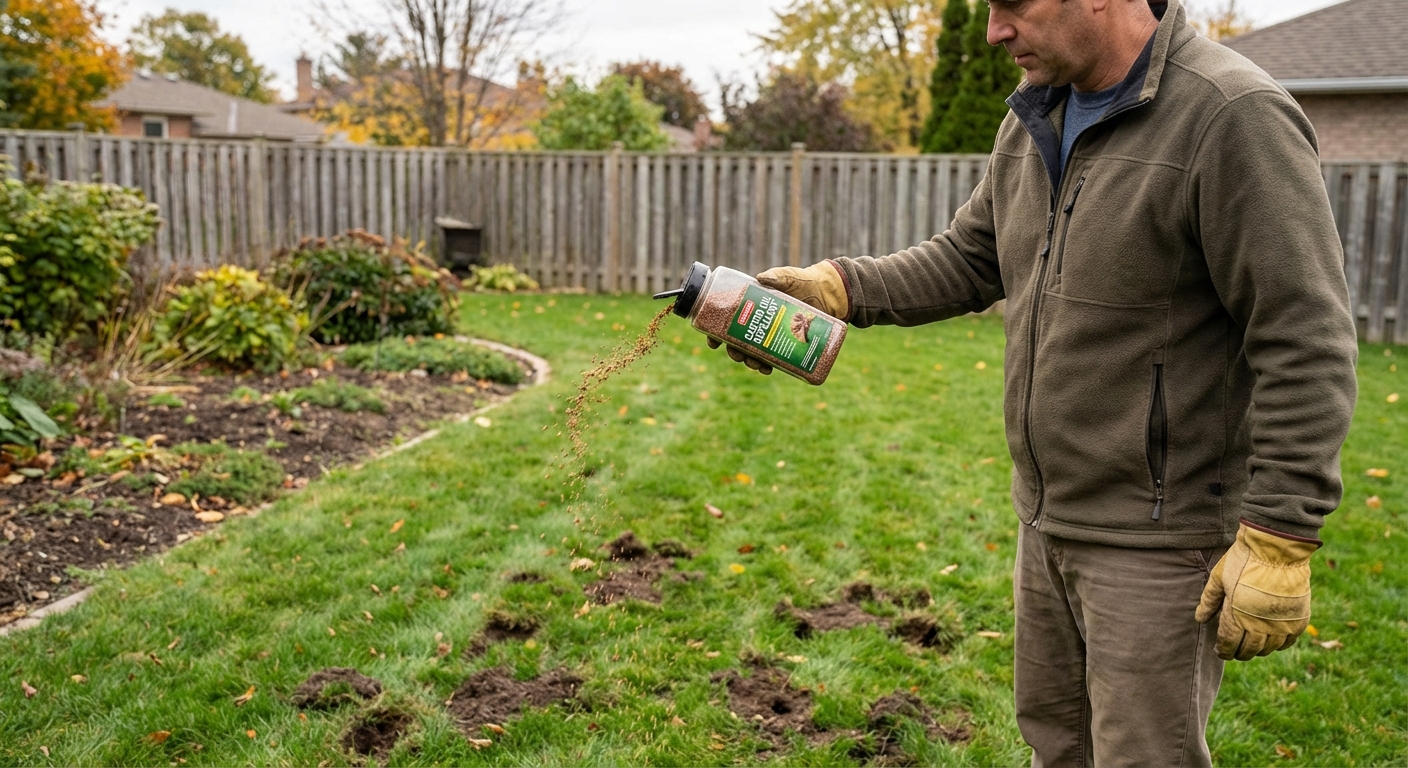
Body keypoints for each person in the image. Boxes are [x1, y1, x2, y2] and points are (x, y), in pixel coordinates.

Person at [711, 0, 1359, 764]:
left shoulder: (1230, 116)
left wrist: (1282, 533)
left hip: (1157, 539)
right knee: (1057, 747)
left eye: (1013, 4)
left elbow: (1304, 334)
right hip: (1047, 520)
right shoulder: (1035, 117)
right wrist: (838, 286)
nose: (993, 30)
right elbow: (972, 256)